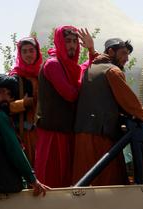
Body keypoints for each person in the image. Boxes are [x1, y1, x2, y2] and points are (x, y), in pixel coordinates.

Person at [72, 38, 143, 186]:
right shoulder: (112, 71)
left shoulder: (92, 67)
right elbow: (130, 103)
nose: (126, 58)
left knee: (84, 185)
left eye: (128, 55)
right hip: (100, 137)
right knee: (108, 184)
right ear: (110, 52)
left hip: (83, 134)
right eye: (123, 53)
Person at [35, 26, 97, 188]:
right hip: (53, 135)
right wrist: (82, 81)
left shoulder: (70, 66)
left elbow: (85, 69)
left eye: (75, 42)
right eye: (67, 41)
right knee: (52, 182)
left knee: (68, 182)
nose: (72, 45)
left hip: (66, 132)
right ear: (59, 43)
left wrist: (91, 49)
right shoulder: (53, 65)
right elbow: (71, 94)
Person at [8, 36, 43, 165]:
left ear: (37, 52)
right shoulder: (14, 78)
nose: (28, 54)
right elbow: (4, 107)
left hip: (42, 133)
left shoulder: (44, 74)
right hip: (22, 135)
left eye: (31, 50)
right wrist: (22, 104)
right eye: (24, 51)